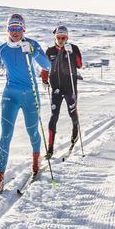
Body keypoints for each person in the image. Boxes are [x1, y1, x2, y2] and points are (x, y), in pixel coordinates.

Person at [0, 13, 51, 194]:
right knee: (5, 136)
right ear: (7, 30)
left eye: (18, 28)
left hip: (30, 95)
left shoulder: (31, 44)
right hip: (10, 95)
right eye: (11, 28)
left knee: (32, 132)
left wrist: (34, 51)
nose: (15, 32)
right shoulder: (2, 49)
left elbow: (48, 66)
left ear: (23, 29)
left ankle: (36, 161)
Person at [41, 24, 82, 159]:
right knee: (54, 116)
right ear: (55, 37)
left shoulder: (73, 48)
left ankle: (75, 130)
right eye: (59, 37)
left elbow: (79, 64)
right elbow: (45, 67)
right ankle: (50, 147)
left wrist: (72, 53)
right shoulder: (50, 51)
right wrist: (44, 79)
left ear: (67, 38)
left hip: (70, 88)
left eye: (63, 37)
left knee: (72, 113)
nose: (61, 40)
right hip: (56, 88)